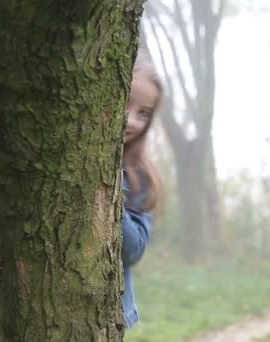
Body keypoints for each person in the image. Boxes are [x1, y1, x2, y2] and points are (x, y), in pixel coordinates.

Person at [121, 51, 162, 329]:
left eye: (143, 113)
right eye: (127, 104)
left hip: (107, 315)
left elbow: (134, 251)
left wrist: (110, 200)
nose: (133, 120)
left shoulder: (140, 177)